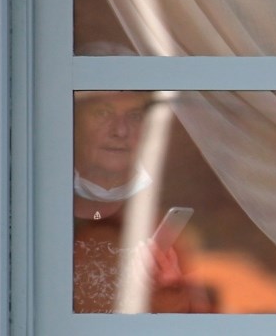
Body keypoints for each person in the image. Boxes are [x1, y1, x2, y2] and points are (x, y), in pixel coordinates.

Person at [73, 86, 208, 313]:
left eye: (134, 116)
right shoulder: (36, 206)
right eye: (102, 113)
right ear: (74, 124)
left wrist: (168, 290)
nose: (120, 130)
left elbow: (191, 317)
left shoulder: (159, 233)